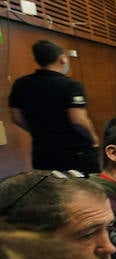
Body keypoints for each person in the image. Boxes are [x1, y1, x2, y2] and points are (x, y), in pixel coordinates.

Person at [6, 38, 101, 173]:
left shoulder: (21, 84)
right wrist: (94, 138)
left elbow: (17, 117)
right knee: (86, 190)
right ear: (63, 59)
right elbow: (78, 121)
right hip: (75, 153)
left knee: (51, 190)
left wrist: (40, 132)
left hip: (42, 152)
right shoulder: (71, 85)